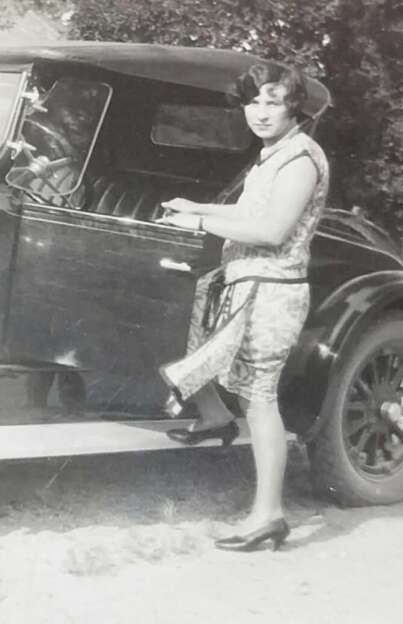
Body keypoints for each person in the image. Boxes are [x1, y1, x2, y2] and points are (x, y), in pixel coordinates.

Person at [155, 63, 329, 552]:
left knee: (259, 397)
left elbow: (272, 230)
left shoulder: (299, 159)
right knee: (234, 378)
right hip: (249, 284)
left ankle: (269, 515)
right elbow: (248, 213)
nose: (260, 112)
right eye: (253, 102)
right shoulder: (273, 154)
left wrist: (197, 227)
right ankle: (215, 423)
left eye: (272, 101)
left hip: (273, 292)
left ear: (294, 105)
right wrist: (200, 208)